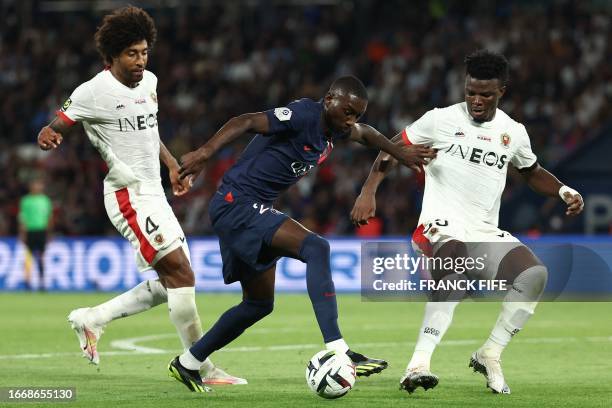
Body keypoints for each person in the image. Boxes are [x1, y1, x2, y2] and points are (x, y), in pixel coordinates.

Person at [167, 75, 437, 392]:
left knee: (258, 304)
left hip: (246, 208)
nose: (351, 120)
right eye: (348, 111)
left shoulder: (335, 130)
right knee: (317, 248)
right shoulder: (303, 116)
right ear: (329, 100)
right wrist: (204, 152)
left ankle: (188, 363)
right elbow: (246, 121)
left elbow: (368, 135)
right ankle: (338, 348)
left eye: (357, 114)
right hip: (237, 204)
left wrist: (399, 153)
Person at [350, 50, 584, 395]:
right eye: (470, 92)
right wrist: (368, 191)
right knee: (454, 266)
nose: (476, 100)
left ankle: (490, 352)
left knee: (534, 276)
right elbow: (390, 150)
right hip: (439, 226)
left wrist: (563, 189)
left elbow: (531, 172)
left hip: (483, 231)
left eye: (485, 94)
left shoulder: (513, 132)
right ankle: (418, 365)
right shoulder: (439, 120)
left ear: (501, 91)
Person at [36, 6, 244, 387]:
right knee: (182, 273)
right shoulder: (92, 92)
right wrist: (50, 134)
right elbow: (56, 124)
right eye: (131, 53)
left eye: (144, 51)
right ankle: (200, 366)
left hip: (154, 192)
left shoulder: (150, 82)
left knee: (171, 283)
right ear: (112, 56)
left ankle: (92, 318)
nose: (140, 60)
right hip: (127, 195)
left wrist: (170, 166)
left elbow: (150, 131)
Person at [18, 178, 53, 291]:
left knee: (41, 257)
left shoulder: (45, 200)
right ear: (31, 186)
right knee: (28, 257)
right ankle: (27, 282)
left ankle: (42, 282)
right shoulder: (26, 200)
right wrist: (22, 233)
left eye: (39, 184)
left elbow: (49, 218)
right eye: (35, 184)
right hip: (30, 231)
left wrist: (49, 233)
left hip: (41, 231)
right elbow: (22, 218)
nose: (37, 187)